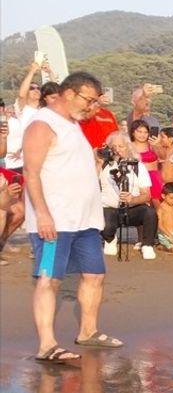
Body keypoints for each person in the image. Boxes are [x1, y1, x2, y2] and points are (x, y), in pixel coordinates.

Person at [25, 72, 121, 364]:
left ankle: (88, 331)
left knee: (95, 275)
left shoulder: (74, 125)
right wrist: (43, 214)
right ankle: (47, 345)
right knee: (48, 278)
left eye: (95, 101)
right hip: (56, 220)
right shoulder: (42, 124)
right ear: (69, 93)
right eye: (88, 100)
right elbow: (31, 173)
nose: (91, 106)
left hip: (85, 220)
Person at [97, 130, 156, 259]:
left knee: (149, 212)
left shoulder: (137, 166)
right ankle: (109, 238)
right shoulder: (103, 164)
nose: (117, 150)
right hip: (109, 208)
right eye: (114, 147)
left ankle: (147, 245)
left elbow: (147, 195)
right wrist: (99, 161)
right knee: (103, 216)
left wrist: (133, 199)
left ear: (128, 147)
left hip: (131, 208)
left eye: (121, 146)